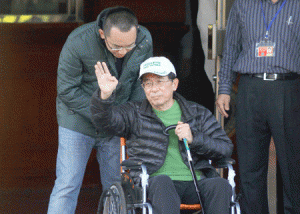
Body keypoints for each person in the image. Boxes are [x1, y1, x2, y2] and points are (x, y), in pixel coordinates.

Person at [91, 56, 233, 214]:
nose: (153, 88)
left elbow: (225, 148)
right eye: (148, 83)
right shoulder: (133, 112)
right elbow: (105, 123)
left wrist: (194, 138)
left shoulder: (197, 113)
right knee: (163, 181)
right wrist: (104, 96)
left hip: (195, 181)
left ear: (174, 84)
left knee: (220, 185)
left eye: (159, 81)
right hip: (153, 182)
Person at [48, 6, 153, 214]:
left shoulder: (144, 39)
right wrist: (102, 112)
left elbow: (141, 84)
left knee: (118, 187)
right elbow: (67, 91)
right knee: (67, 184)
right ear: (102, 34)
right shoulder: (79, 41)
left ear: (137, 31)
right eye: (116, 47)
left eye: (128, 46)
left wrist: (128, 119)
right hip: (77, 120)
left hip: (116, 121)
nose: (122, 52)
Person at [216, 0, 300, 213]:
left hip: (289, 88)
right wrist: (224, 88)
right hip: (250, 88)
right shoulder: (243, 4)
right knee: (250, 167)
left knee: (293, 167)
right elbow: (231, 47)